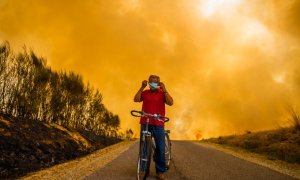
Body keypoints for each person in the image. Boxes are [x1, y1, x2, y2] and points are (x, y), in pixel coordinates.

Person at [134, 75, 173, 180]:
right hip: (145, 122)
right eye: (150, 82)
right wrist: (142, 87)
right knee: (144, 147)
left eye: (155, 82)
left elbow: (171, 102)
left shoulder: (162, 94)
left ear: (159, 83)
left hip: (158, 123)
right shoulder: (145, 92)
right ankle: (143, 168)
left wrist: (165, 90)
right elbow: (136, 99)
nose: (152, 84)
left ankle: (160, 171)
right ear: (148, 82)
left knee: (160, 148)